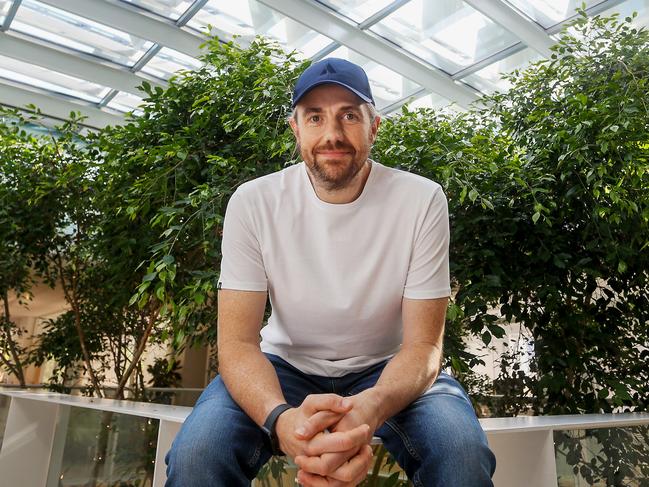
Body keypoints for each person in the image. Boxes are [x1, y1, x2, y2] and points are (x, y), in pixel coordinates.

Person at [165, 58, 496, 487]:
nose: (332, 134)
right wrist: (283, 423)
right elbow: (237, 345)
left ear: (374, 127)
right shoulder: (253, 202)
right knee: (196, 456)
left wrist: (370, 408)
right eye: (315, 117)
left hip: (389, 367)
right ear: (295, 129)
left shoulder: (422, 200)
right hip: (282, 366)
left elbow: (423, 348)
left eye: (349, 116)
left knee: (463, 458)